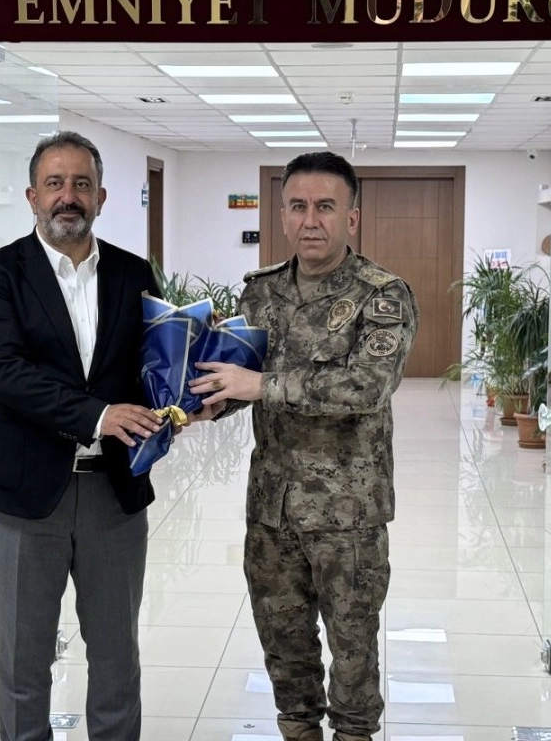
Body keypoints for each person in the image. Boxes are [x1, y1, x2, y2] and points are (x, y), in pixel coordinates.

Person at [188, 151, 419, 741]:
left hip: (348, 515)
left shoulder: (381, 296)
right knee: (283, 645)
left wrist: (259, 386)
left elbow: (367, 387)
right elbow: (242, 379)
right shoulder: (261, 292)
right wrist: (207, 402)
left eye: (325, 207)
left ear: (351, 218)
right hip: (273, 509)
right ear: (283, 215)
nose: (310, 220)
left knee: (353, 651)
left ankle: (354, 734)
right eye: (297, 206)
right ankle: (298, 730)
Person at [0, 131, 163, 741]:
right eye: (55, 183)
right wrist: (98, 416)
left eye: (81, 184)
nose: (67, 196)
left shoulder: (133, 273)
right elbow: (6, 373)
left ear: (101, 196)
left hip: (113, 495)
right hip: (25, 499)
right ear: (32, 196)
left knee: (116, 656)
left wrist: (190, 398)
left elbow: (154, 366)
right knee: (24, 660)